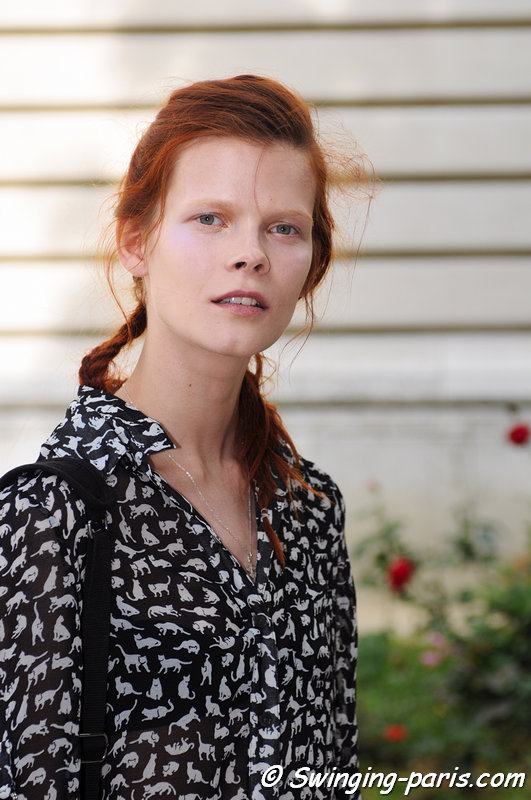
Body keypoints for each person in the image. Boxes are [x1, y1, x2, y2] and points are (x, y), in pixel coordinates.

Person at [0, 75, 368, 799]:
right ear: (136, 243)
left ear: (310, 263)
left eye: (283, 227)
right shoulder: (53, 515)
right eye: (210, 218)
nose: (250, 254)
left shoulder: (310, 512)